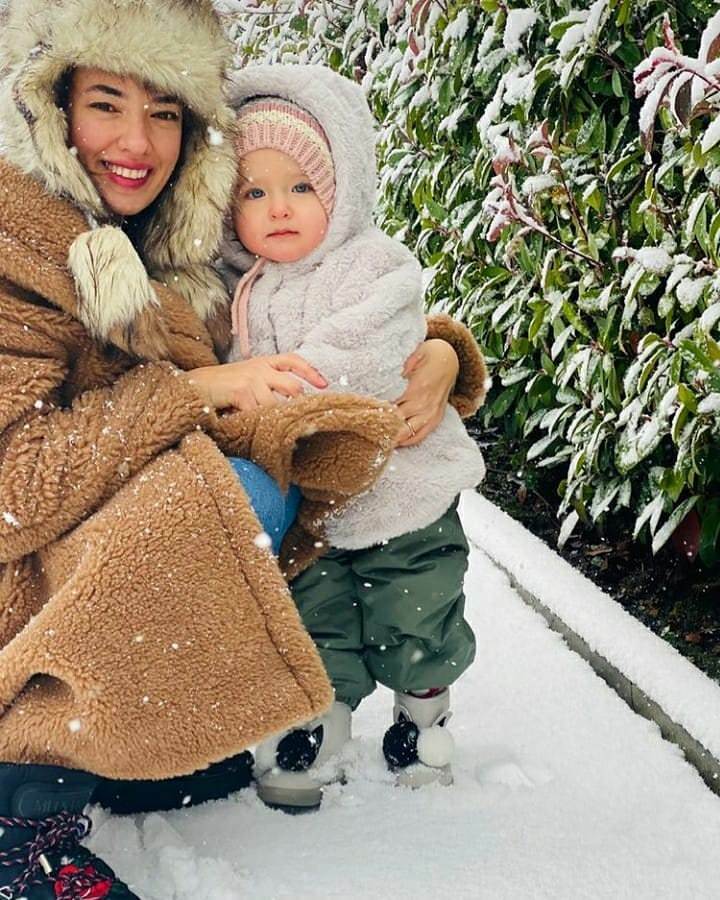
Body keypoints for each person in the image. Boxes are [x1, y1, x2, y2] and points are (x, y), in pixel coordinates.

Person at [0, 1, 486, 894]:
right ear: (51, 103)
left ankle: (133, 741)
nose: (136, 140)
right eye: (106, 103)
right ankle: (23, 812)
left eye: (166, 112)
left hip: (87, 556)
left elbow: (298, 308)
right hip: (22, 565)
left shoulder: (169, 231)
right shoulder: (17, 231)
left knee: (246, 488)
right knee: (234, 494)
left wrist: (442, 354)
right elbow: (13, 488)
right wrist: (189, 391)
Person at [219, 64, 489, 812]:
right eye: (254, 191)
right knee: (316, 617)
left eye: (301, 187)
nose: (278, 209)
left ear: (340, 193)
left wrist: (284, 394)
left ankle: (421, 713)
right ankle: (316, 723)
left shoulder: (370, 262)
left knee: (416, 610)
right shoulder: (241, 290)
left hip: (404, 489)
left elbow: (376, 343)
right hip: (317, 510)